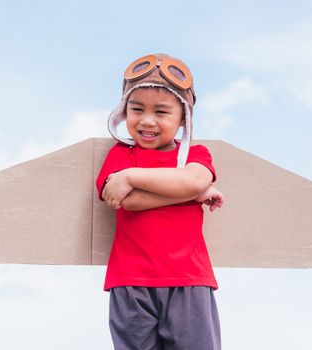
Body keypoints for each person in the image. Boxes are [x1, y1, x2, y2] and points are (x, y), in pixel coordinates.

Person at [96, 53, 224, 350]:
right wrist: (187, 194)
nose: (147, 120)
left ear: (183, 119)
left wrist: (132, 177)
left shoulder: (195, 154)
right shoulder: (120, 155)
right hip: (130, 281)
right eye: (136, 109)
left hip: (188, 279)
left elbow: (193, 180)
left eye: (162, 112)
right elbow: (127, 201)